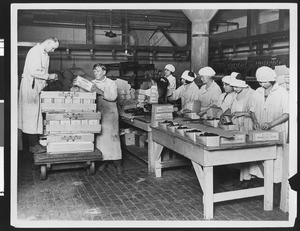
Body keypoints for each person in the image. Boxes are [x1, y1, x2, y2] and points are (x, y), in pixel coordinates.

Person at [249, 66, 289, 206]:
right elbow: (252, 110)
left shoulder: (282, 92)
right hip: (261, 132)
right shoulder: (257, 92)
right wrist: (255, 121)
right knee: (261, 162)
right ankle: (263, 192)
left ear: (272, 80)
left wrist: (271, 124)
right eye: (259, 82)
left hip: (276, 131)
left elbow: (286, 114)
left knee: (276, 164)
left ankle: (275, 197)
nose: (261, 85)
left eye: (264, 82)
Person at [18, 37, 59, 154]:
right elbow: (34, 71)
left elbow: (41, 72)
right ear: (48, 42)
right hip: (30, 88)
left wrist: (47, 79)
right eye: (53, 48)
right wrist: (49, 76)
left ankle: (35, 143)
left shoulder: (44, 53)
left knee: (35, 116)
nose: (53, 50)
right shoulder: (35, 52)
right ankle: (32, 145)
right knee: (31, 116)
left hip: (36, 87)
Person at [90, 63, 123, 174]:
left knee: (114, 139)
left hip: (110, 115)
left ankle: (118, 164)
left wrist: (98, 90)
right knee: (101, 140)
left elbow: (113, 97)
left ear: (104, 72)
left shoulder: (111, 83)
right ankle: (104, 161)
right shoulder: (92, 83)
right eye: (94, 71)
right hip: (99, 114)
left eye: (98, 71)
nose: (96, 73)